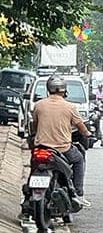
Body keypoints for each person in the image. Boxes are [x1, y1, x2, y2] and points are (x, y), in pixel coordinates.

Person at [30, 75, 90, 206]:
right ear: (64, 90)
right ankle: (78, 193)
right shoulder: (70, 107)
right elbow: (80, 125)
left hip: (41, 147)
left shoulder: (39, 105)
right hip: (63, 149)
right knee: (79, 160)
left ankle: (28, 195)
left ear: (48, 89)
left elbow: (34, 125)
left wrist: (35, 134)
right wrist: (87, 133)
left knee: (33, 165)